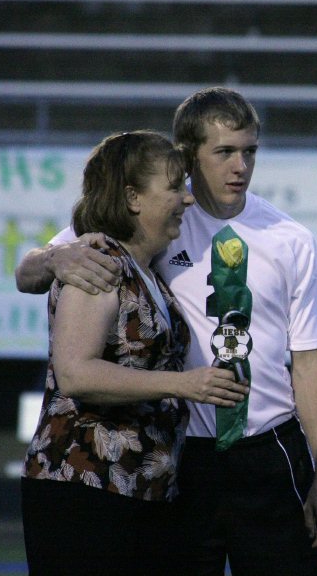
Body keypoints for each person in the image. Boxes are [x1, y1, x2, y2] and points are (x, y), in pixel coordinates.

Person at [15, 88, 317, 575]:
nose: (241, 166)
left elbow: (309, 361)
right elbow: (28, 273)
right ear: (189, 156)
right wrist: (54, 257)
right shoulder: (153, 217)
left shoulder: (290, 238)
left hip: (269, 447)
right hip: (181, 457)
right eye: (225, 152)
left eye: (250, 151)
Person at [21, 130, 249, 575]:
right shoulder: (99, 259)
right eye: (173, 187)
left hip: (136, 491)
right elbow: (76, 374)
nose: (186, 200)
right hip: (85, 485)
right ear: (133, 198)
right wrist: (184, 384)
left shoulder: (144, 268)